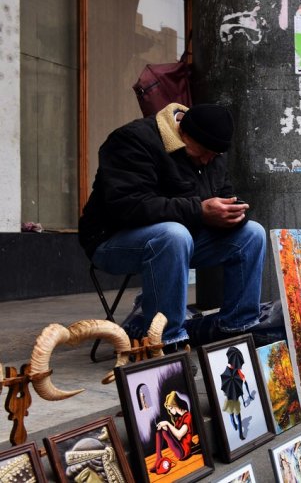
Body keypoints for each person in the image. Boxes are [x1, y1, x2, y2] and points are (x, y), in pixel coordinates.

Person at [78, 103, 266, 349]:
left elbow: (221, 193)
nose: (209, 159)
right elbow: (127, 206)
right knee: (172, 235)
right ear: (183, 133)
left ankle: (236, 329)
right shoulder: (132, 140)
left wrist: (231, 212)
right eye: (205, 152)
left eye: (215, 155)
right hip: (112, 240)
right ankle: (166, 341)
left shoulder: (212, 152)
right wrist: (199, 210)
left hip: (183, 240)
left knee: (252, 234)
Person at [151, 391, 195, 475]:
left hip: (183, 452)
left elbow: (179, 435)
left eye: (170, 408)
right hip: (179, 447)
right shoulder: (179, 419)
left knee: (164, 429)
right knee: (161, 429)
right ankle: (158, 458)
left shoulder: (187, 416)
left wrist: (167, 424)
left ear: (175, 404)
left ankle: (158, 458)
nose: (170, 411)